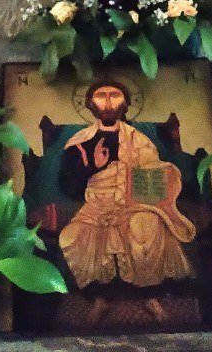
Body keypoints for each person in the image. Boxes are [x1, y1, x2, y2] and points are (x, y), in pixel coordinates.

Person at [57, 79, 196, 290]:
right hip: (95, 207)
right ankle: (100, 297)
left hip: (136, 204)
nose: (108, 103)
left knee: (144, 229)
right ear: (91, 105)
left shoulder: (140, 141)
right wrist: (93, 168)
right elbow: (68, 188)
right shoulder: (79, 143)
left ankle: (147, 293)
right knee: (70, 237)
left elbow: (152, 181)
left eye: (114, 95)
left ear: (125, 104)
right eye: (101, 96)